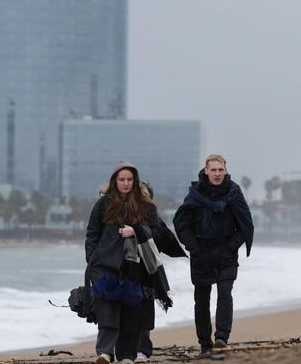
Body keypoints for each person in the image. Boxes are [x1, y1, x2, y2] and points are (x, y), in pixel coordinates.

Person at [86, 162, 173, 364]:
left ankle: (126, 356)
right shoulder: (103, 204)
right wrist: (91, 260)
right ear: (115, 181)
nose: (125, 183)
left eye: (129, 179)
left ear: (134, 181)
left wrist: (136, 231)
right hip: (105, 265)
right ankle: (105, 353)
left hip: (136, 266)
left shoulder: (145, 205)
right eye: (121, 179)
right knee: (107, 308)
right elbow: (92, 234)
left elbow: (159, 232)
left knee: (131, 312)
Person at [173, 154, 254, 356]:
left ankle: (222, 338)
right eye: (213, 170)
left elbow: (245, 225)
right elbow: (182, 224)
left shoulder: (234, 193)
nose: (217, 174)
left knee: (225, 294)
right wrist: (193, 247)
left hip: (226, 253)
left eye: (221, 170)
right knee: (201, 300)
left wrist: (231, 246)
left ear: (225, 170)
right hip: (201, 253)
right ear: (206, 171)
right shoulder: (194, 195)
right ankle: (205, 344)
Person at [135, 181, 187, 363]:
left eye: (144, 193)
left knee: (145, 308)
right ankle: (126, 348)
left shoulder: (152, 214)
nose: (141, 196)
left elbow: (158, 235)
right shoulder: (122, 211)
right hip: (126, 269)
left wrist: (140, 232)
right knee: (125, 309)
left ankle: (142, 350)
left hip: (148, 270)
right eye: (138, 192)